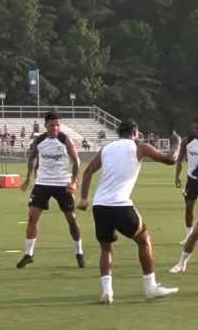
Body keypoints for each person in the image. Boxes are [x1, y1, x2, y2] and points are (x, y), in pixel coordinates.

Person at [77, 121, 181, 305]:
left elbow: (87, 172)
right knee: (144, 240)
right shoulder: (140, 147)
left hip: (100, 206)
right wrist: (176, 143)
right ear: (134, 132)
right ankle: (150, 287)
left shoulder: (107, 149)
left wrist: (84, 199)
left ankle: (107, 292)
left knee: (106, 247)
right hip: (120, 205)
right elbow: (170, 159)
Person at [17, 112, 85, 269]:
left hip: (62, 184)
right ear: (45, 125)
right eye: (52, 125)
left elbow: (76, 161)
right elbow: (32, 158)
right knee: (32, 217)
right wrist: (28, 178)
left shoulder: (65, 140)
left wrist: (74, 182)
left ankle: (79, 252)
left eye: (57, 125)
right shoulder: (40, 140)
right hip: (42, 183)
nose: (55, 128)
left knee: (71, 219)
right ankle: (29, 254)